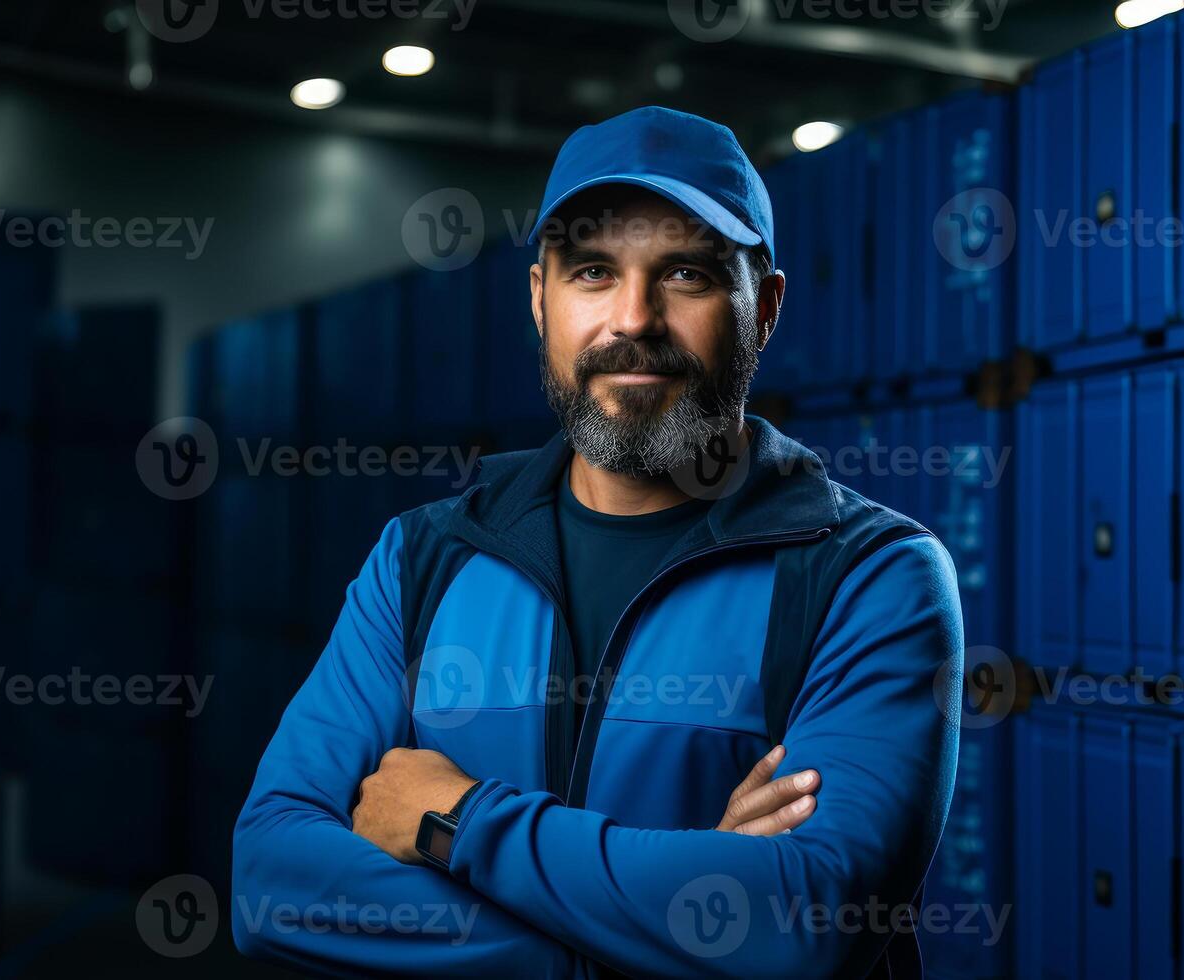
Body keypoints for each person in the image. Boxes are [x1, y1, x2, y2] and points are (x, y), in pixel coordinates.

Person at [232, 105, 964, 977]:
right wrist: (651, 931)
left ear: (762, 308)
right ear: (540, 300)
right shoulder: (421, 558)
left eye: (686, 273)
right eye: (591, 271)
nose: (634, 318)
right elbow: (267, 880)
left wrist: (456, 820)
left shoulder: (870, 576)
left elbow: (802, 920)